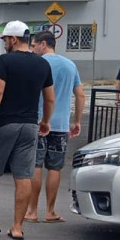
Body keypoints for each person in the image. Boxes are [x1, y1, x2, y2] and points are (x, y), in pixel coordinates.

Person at [0, 21, 54, 240]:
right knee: (23, 175)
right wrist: (45, 121)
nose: (4, 44)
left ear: (14, 39)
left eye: (5, 40)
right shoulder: (42, 64)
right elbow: (49, 98)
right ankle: (17, 227)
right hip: (30, 126)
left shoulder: (5, 61)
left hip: (5, 124)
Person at [26, 31, 83, 224]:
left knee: (36, 165)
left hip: (39, 121)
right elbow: (80, 95)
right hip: (60, 125)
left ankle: (32, 211)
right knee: (55, 168)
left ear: (43, 44)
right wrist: (76, 121)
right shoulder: (70, 65)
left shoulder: (37, 64)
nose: (32, 50)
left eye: (33, 46)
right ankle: (50, 211)